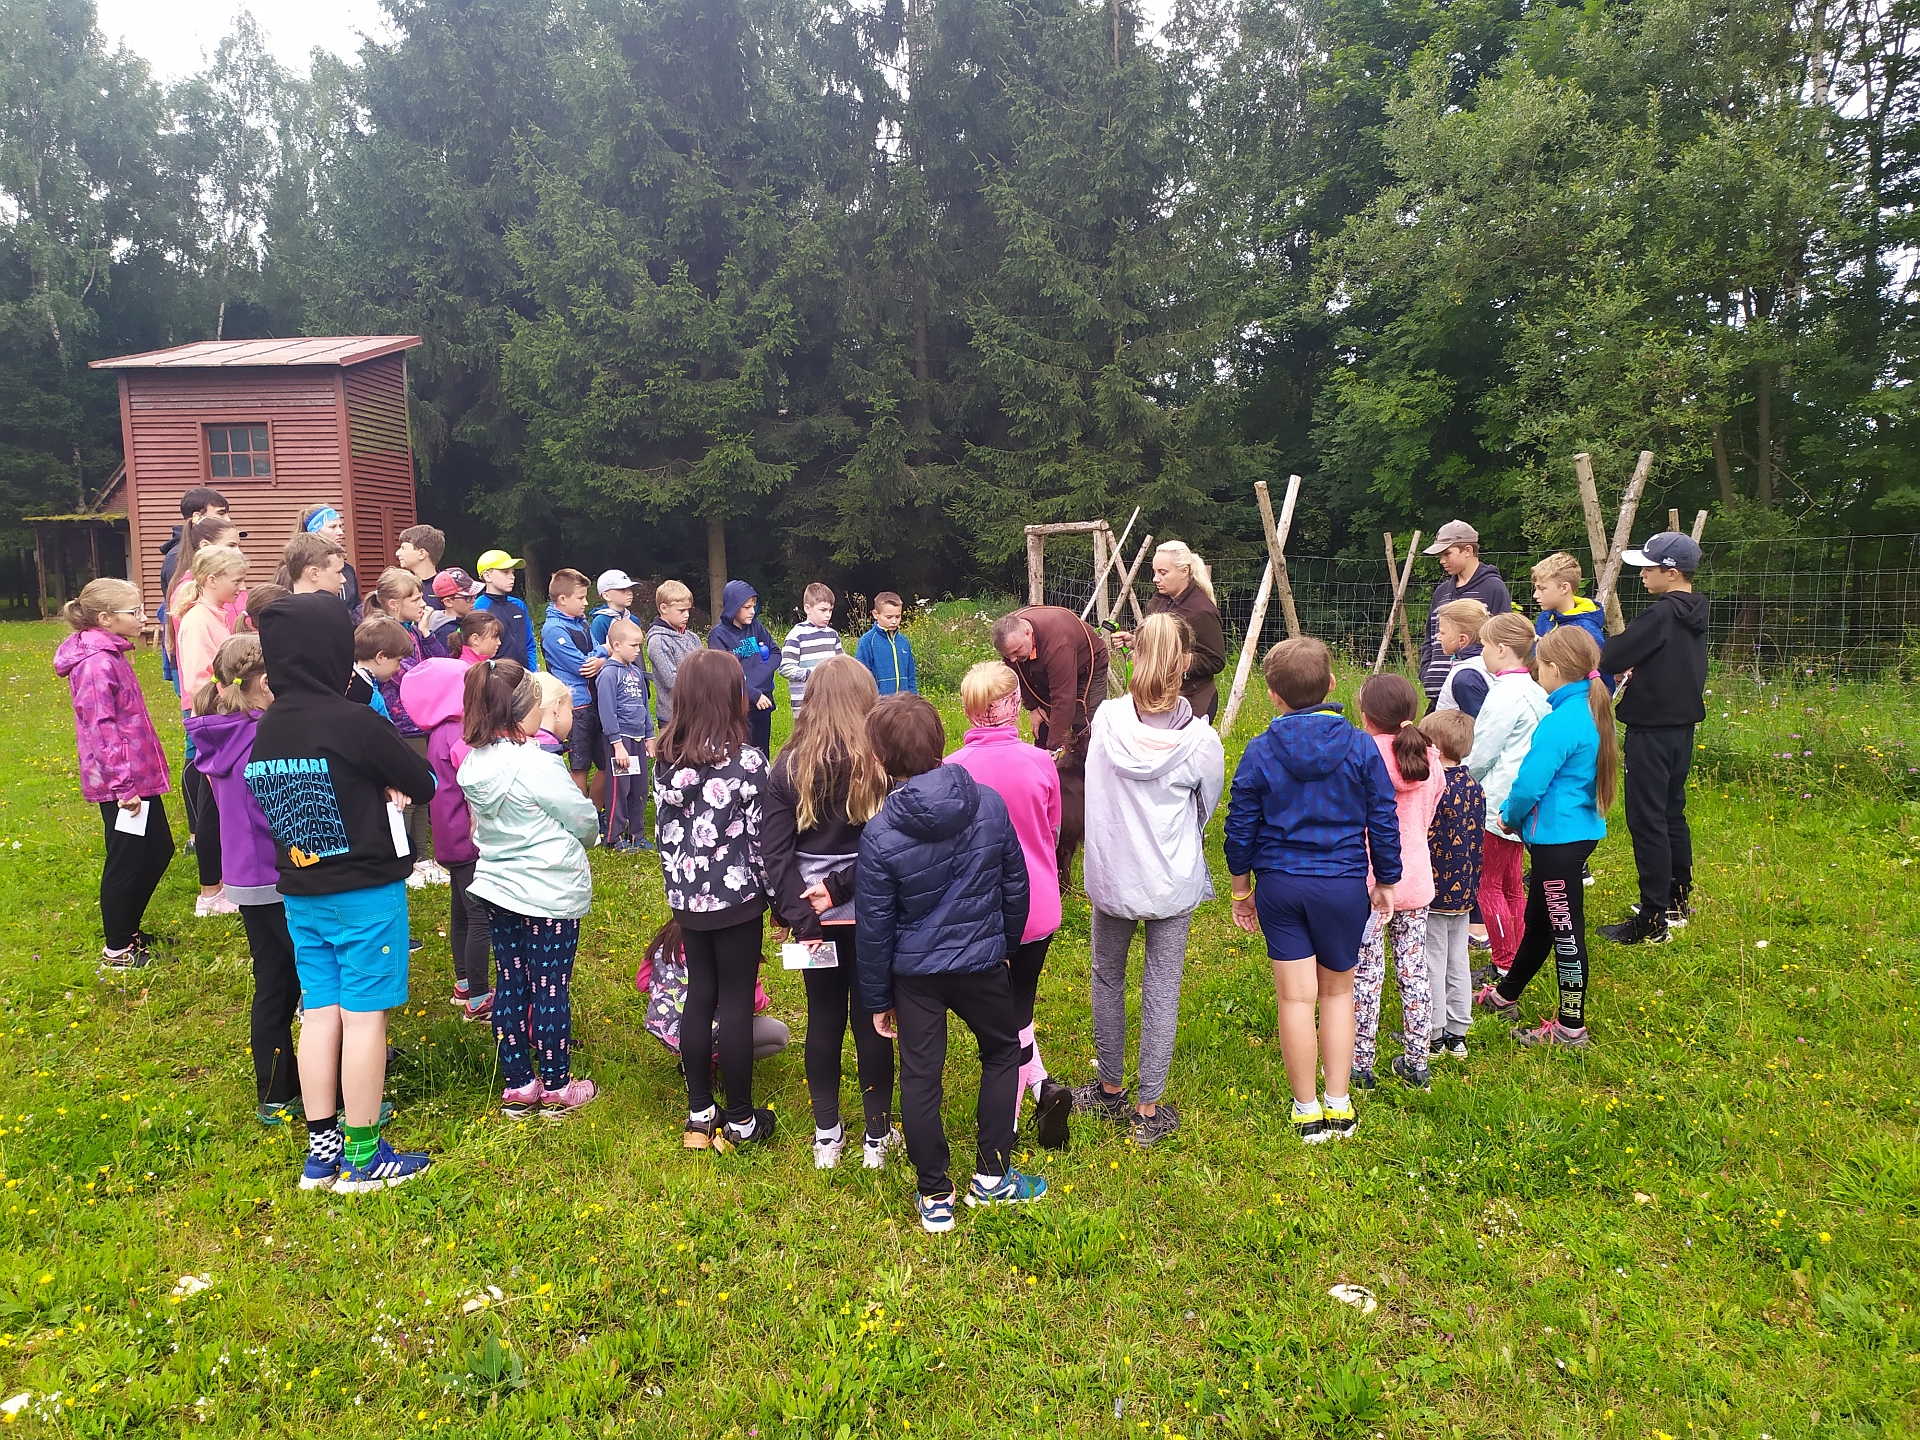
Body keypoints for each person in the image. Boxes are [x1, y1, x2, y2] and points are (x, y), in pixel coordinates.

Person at [246, 592, 436, 1194]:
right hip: (364, 892)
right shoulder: (354, 721)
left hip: (301, 893)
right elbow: (422, 781)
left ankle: (320, 1152)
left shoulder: (269, 726)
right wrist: (384, 784)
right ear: (333, 652)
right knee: (364, 1016)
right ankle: (363, 1154)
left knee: (320, 1011)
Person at [856, 695, 1043, 1234]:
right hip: (981, 962)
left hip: (918, 977)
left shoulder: (880, 833)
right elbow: (1016, 887)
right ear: (942, 741)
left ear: (880, 760)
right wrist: (1005, 947)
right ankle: (992, 1176)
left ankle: (935, 1194)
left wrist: (878, 999)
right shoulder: (989, 805)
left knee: (921, 1076)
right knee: (1002, 1053)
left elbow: (874, 928)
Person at [1224, 637, 1399, 1145]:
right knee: (1338, 993)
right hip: (1343, 884)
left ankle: (1306, 1111)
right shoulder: (1361, 746)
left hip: (1280, 885)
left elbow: (1240, 826)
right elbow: (1383, 818)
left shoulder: (1260, 750)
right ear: (1331, 685)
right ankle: (1339, 1104)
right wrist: (1386, 880)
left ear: (1272, 695)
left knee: (1296, 999)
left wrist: (1240, 889)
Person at [1078, 613, 1225, 1146]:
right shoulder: (1202, 743)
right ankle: (1147, 1108)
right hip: (1171, 877)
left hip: (1113, 873)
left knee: (1107, 977)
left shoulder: (1106, 720)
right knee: (1162, 987)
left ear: (1135, 655)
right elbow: (1205, 807)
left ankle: (1110, 1088)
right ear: (1185, 663)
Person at [761, 655, 898, 1170]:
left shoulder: (788, 764)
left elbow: (774, 854)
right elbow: (889, 846)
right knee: (874, 1019)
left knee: (822, 1019)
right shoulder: (879, 762)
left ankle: (827, 1136)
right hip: (873, 914)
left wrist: (799, 917)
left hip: (813, 923)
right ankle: (876, 1140)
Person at [459, 659, 602, 1116]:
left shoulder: (474, 764)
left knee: (511, 982)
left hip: (498, 887)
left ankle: (519, 1083)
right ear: (525, 708)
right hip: (547, 891)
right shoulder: (536, 764)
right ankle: (558, 1086)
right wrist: (591, 833)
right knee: (550, 986)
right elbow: (580, 816)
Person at [654, 648, 775, 1151]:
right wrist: (777, 898)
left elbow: (663, 832)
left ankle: (700, 1114)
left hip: (687, 898)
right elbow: (762, 840)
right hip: (737, 897)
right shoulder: (747, 762)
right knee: (736, 999)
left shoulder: (665, 758)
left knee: (700, 993)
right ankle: (742, 1121)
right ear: (731, 697)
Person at [1474, 626, 1616, 1047]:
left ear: (1554, 668)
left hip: (1558, 842)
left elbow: (1529, 784)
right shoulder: (1588, 709)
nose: (1538, 672)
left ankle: (1571, 1028)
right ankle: (1505, 995)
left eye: (1540, 666)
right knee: (1540, 922)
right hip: (1572, 835)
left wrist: (1509, 816)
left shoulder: (1561, 721)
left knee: (1567, 933)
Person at [944, 661, 1068, 1143]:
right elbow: (1053, 833)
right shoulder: (1040, 763)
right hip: (1036, 905)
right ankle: (1037, 1088)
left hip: (979, 911)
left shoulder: (952, 769)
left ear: (967, 709)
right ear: (1015, 705)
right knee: (1019, 1005)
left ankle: (1009, 1119)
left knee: (1004, 1016)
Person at [188, 635, 301, 1123]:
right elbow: (282, 812)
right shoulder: (264, 738)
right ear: (267, 682)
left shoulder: (221, 733)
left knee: (273, 982)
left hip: (245, 877)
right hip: (280, 874)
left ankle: (275, 1091)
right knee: (316, 980)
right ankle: (339, 1090)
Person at [56, 578, 176, 973]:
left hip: (136, 774)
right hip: (120, 782)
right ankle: (117, 950)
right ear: (105, 618)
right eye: (134, 611)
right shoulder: (96, 663)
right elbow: (100, 729)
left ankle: (128, 930)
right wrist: (123, 786)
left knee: (158, 849)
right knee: (127, 858)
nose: (144, 618)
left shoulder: (112, 653)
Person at [1598, 532, 1710, 946]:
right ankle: (1676, 902)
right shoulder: (1695, 611)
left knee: (1647, 820)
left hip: (1650, 732)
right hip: (1681, 731)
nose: (1643, 574)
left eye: (1649, 567)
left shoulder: (1662, 614)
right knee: (1670, 813)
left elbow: (1611, 655)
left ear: (1672, 572)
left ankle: (1651, 919)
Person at [1350, 674, 1444, 1091]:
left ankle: (1360, 1064)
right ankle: (1417, 1061)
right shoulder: (1430, 759)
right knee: (1414, 969)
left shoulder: (1361, 757)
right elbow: (1429, 815)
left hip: (1370, 881)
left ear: (1366, 716)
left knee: (1366, 973)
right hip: (1416, 879)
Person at [399, 657, 494, 1022]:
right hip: (469, 839)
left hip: (448, 839)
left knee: (461, 913)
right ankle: (479, 998)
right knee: (479, 917)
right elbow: (477, 785)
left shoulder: (439, 732)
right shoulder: (459, 734)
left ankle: (465, 982)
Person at [991, 604, 1111, 883]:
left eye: (1016, 652)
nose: (1013, 658)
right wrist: (1033, 706)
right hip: (1046, 673)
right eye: (1008, 655)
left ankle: (1088, 808)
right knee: (1044, 725)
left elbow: (1064, 698)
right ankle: (1048, 807)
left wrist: (1052, 749)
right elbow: (1018, 676)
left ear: (1028, 633)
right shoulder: (1014, 642)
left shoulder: (1059, 643)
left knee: (1084, 732)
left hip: (1085, 670)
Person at [1463, 614, 1550, 979]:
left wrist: (1460, 778)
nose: (1481, 652)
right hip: (1521, 800)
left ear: (1501, 649)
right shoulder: (1535, 689)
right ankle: (1515, 955)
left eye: (1483, 645)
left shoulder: (1504, 693)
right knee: (1512, 883)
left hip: (1496, 800)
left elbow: (1484, 751)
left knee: (1487, 886)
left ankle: (1503, 962)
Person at [174, 545, 250, 917]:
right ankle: (209, 892)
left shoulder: (216, 615)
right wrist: (238, 690)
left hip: (227, 718)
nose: (241, 587)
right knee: (211, 808)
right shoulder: (197, 621)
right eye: (236, 580)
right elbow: (198, 680)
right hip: (215, 722)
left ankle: (220, 884)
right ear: (212, 579)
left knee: (219, 806)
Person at [364, 568, 446, 879]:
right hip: (401, 725)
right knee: (408, 793)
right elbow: (418, 676)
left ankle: (423, 856)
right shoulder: (385, 636)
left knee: (424, 788)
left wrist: (426, 634)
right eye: (415, 599)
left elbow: (439, 662)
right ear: (394, 604)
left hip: (420, 722)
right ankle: (409, 858)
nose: (423, 603)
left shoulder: (412, 630)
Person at [1417, 708, 1484, 1060]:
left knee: (1432, 958)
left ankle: (1433, 1032)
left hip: (1434, 888)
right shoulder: (1475, 787)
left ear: (1436, 749)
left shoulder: (1434, 787)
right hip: (1466, 890)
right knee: (1458, 958)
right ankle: (1458, 1032)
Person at [636, 920, 791, 1063]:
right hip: (711, 1032)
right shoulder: (728, 948)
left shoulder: (667, 940)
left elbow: (642, 983)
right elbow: (753, 1002)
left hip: (665, 1032)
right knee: (779, 1035)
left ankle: (693, 1061)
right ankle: (714, 1060)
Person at [1419, 521, 1511, 704]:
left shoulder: (1493, 588)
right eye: (1440, 555)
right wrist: (1427, 672)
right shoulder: (1441, 592)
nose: (1442, 560)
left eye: (1447, 554)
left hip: (1473, 693)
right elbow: (1430, 637)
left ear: (1467, 550)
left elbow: (1503, 638)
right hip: (1438, 698)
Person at [1135, 540, 1227, 722]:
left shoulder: (1201, 611)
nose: (1155, 579)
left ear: (1184, 571)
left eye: (1163, 573)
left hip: (1193, 700)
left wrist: (1182, 660)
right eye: (1155, 572)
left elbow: (1215, 661)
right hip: (1159, 696)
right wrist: (1135, 641)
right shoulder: (1159, 601)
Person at [541, 568, 609, 800]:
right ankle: (580, 817)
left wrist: (601, 658)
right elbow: (582, 665)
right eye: (580, 598)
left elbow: (598, 654)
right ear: (562, 599)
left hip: (595, 701)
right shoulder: (554, 629)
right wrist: (603, 653)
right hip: (575, 707)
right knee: (580, 766)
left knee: (606, 763)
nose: (586, 603)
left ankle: (595, 812)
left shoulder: (582, 623)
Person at [596, 617, 655, 852]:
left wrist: (649, 736)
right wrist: (617, 744)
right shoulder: (608, 674)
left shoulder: (636, 673)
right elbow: (607, 711)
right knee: (620, 788)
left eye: (639, 645)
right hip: (621, 741)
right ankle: (615, 837)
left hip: (638, 739)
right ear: (617, 645)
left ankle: (636, 834)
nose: (638, 650)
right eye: (633, 645)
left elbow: (644, 706)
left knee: (639, 788)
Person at [708, 579, 779, 754]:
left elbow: (776, 653)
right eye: (747, 607)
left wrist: (760, 674)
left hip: (763, 702)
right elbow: (723, 675)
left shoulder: (756, 627)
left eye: (753, 606)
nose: (752, 611)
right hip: (738, 707)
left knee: (762, 753)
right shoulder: (718, 635)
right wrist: (753, 693)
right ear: (733, 606)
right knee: (740, 753)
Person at [780, 582, 845, 715]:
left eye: (830, 610)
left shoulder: (832, 635)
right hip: (805, 704)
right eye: (823, 610)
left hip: (831, 702)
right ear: (807, 609)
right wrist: (814, 674)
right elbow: (785, 668)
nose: (828, 615)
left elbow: (842, 663)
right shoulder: (797, 635)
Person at [646, 580, 703, 729]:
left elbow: (705, 669)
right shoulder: (658, 641)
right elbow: (672, 681)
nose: (687, 615)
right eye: (681, 611)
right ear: (664, 608)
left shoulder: (693, 637)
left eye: (688, 610)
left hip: (699, 713)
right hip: (673, 718)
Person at [159, 486, 230, 599]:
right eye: (220, 513)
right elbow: (182, 602)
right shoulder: (178, 557)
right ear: (197, 516)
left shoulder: (206, 549)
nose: (228, 519)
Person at [473, 548, 537, 668]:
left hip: (524, 673)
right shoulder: (478, 607)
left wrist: (533, 672)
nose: (512, 577)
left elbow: (529, 644)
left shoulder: (519, 605)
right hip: (496, 675)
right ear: (487, 576)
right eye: (505, 572)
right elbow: (477, 650)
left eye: (513, 572)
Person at [1430, 598, 1491, 717]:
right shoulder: (1488, 662)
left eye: (1442, 633)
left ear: (1462, 639)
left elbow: (1476, 722)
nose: (1438, 638)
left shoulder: (1466, 677)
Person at [292, 506, 360, 613]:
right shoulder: (293, 571)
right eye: (333, 527)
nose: (340, 532)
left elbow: (355, 606)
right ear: (314, 532)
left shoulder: (348, 570)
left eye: (340, 526)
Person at [854, 591, 917, 696]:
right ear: (875, 614)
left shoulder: (904, 642)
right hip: (879, 702)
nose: (894, 621)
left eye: (898, 616)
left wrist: (914, 699)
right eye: (889, 617)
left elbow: (911, 677)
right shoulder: (868, 641)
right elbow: (861, 676)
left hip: (903, 702)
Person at [347, 616, 409, 718]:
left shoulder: (350, 683)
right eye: (398, 661)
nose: (399, 668)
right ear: (380, 657)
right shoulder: (369, 696)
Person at [425, 567, 481, 646]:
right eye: (467, 597)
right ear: (448, 602)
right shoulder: (446, 633)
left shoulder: (462, 621)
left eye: (474, 595)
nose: (473, 600)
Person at [283, 534, 348, 598]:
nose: (343, 579)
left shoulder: (280, 603)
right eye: (339, 572)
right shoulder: (334, 604)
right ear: (314, 574)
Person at [590, 568, 639, 648]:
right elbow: (595, 651)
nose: (629, 593)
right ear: (606, 596)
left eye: (629, 588)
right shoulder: (600, 622)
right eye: (622, 589)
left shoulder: (633, 620)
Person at [394, 524, 446, 600]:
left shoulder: (447, 589)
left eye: (403, 548)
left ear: (421, 554)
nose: (397, 553)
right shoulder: (400, 586)